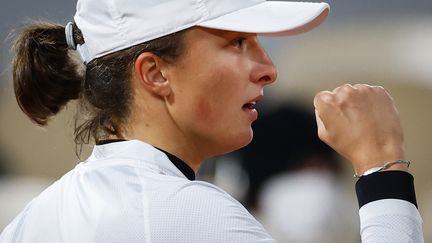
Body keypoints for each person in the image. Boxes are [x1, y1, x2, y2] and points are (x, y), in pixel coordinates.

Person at [0, 0, 423, 242]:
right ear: (155, 73)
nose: (268, 69)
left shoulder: (33, 219)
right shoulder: (185, 213)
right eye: (238, 42)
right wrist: (381, 165)